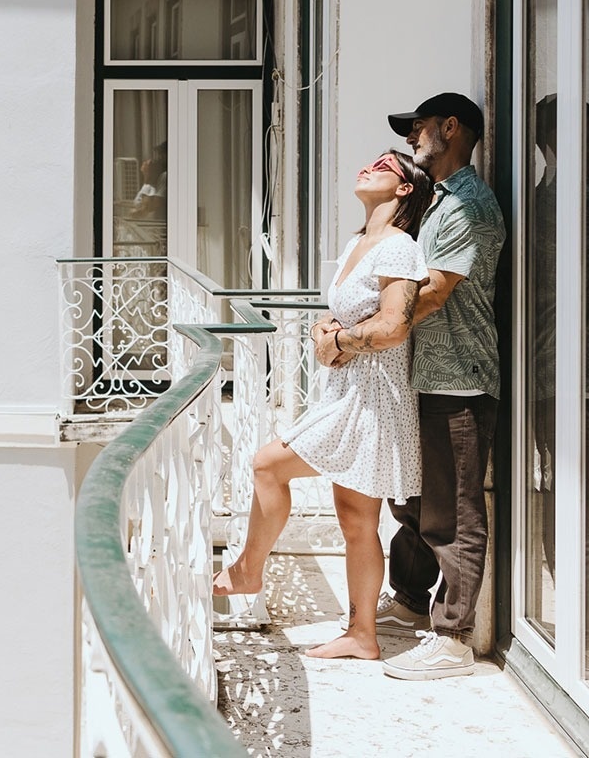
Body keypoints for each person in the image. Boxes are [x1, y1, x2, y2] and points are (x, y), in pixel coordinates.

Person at [212, 149, 435, 660]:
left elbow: (395, 326)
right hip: (347, 388)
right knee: (356, 519)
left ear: (403, 190)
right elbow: (353, 315)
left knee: (268, 464)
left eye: (383, 167)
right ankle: (362, 636)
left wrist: (338, 343)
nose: (367, 167)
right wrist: (326, 332)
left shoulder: (398, 247)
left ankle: (248, 569)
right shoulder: (359, 242)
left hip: (374, 396)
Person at [369, 92, 507, 680]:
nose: (411, 139)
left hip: (461, 379)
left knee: (453, 510)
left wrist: (362, 332)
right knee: (414, 501)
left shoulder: (468, 205)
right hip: (428, 375)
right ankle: (407, 601)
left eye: (419, 128)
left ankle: (452, 639)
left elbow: (433, 291)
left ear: (451, 128)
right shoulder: (439, 202)